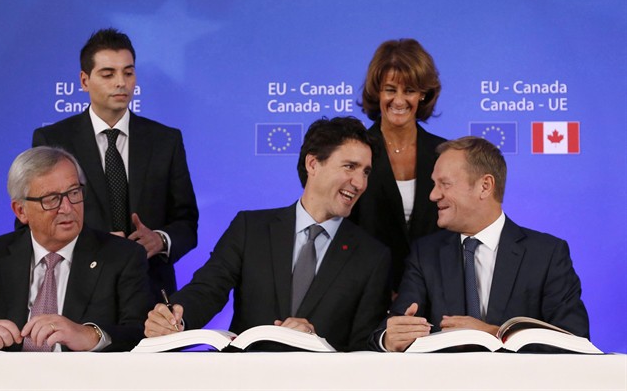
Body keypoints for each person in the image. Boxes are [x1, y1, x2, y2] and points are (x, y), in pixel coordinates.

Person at [144, 117, 391, 351]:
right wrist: (175, 318)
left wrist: (317, 342)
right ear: (313, 164)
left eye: (366, 172)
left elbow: (364, 346)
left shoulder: (372, 256)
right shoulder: (250, 228)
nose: (359, 183)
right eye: (350, 167)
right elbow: (208, 289)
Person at [369, 136, 590, 352]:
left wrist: (495, 333)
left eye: (444, 184)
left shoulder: (547, 254)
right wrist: (389, 338)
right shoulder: (425, 254)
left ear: (485, 186)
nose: (433, 195)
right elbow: (390, 328)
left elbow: (575, 338)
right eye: (434, 184)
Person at [31, 28, 198, 302]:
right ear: (84, 81)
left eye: (128, 73)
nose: (121, 82)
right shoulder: (53, 140)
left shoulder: (166, 140)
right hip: (77, 292)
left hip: (150, 292)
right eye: (108, 74)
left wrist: (161, 239)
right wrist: (91, 243)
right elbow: (33, 223)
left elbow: (187, 222)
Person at [0, 147, 152, 352]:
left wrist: (91, 335)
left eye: (74, 192)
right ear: (21, 211)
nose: (68, 208)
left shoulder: (123, 256)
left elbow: (141, 334)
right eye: (51, 199)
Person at [349, 38, 446, 292]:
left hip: (433, 292)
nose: (399, 100)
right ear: (377, 92)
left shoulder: (445, 154)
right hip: (366, 292)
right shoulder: (355, 151)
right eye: (390, 90)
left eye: (410, 90)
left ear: (423, 94)